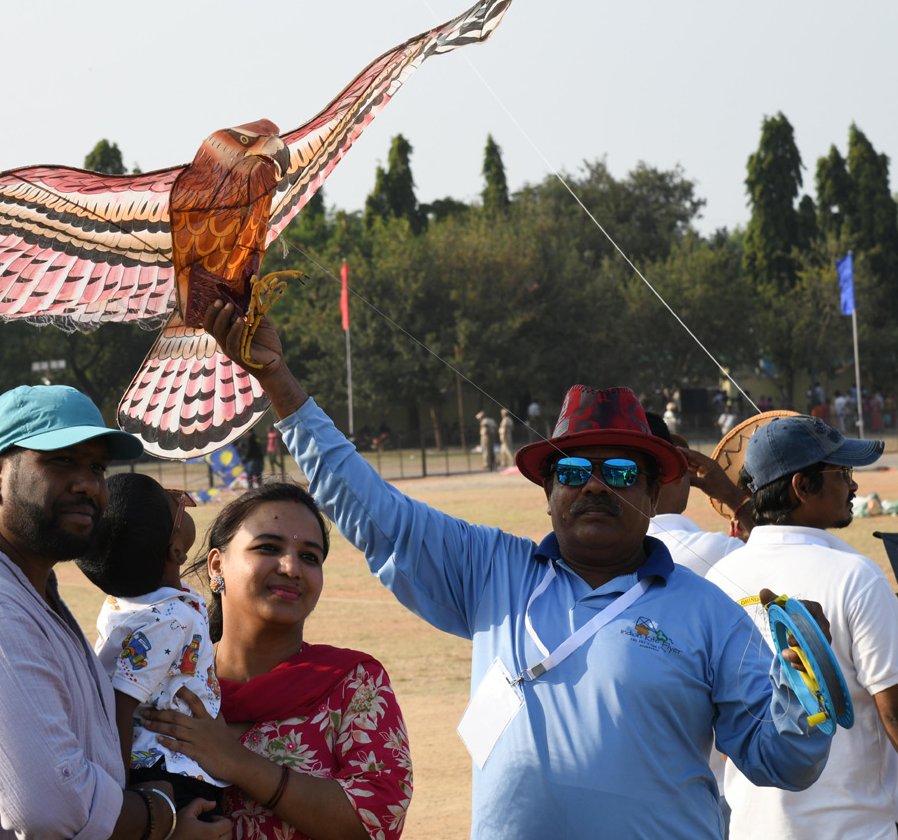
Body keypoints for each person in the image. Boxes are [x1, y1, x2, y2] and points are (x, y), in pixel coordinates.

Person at [200, 299, 832, 840]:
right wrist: (277, 379)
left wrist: (807, 684)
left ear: (649, 494)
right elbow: (370, 507)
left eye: (618, 473)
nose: (594, 489)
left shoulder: (708, 610)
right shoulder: (494, 570)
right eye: (573, 473)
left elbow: (785, 762)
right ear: (547, 492)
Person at [0, 384, 229, 840]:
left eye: (97, 466)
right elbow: (53, 808)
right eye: (60, 461)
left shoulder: (23, 588)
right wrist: (162, 816)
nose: (90, 485)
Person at [140, 483, 413, 840]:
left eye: (310, 557)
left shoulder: (353, 684)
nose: (291, 568)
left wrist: (237, 763)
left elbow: (379, 818)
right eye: (268, 547)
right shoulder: (162, 678)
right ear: (217, 565)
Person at [706, 416, 898, 840]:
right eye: (842, 473)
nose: (854, 487)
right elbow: (893, 709)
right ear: (802, 487)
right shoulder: (856, 575)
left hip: (749, 828)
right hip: (855, 829)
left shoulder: (715, 579)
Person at [76, 473, 228, 817]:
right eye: (175, 503)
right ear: (177, 550)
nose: (181, 498)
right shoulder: (171, 618)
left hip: (164, 764)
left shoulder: (127, 600)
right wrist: (124, 792)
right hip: (170, 771)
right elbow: (120, 702)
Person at [644, 413, 747, 576]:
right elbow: (776, 552)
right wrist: (732, 496)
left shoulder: (606, 547)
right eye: (684, 464)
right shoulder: (713, 549)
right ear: (676, 473)